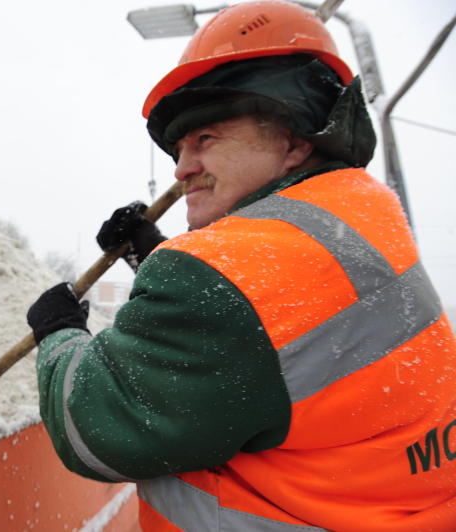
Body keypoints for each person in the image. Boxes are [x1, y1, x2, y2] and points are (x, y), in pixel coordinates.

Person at [26, 1, 456, 531]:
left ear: (294, 140)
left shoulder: (233, 272)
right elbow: (284, 342)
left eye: (205, 139)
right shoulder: (365, 215)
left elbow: (91, 430)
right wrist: (157, 257)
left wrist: (59, 333)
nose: (182, 168)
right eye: (180, 148)